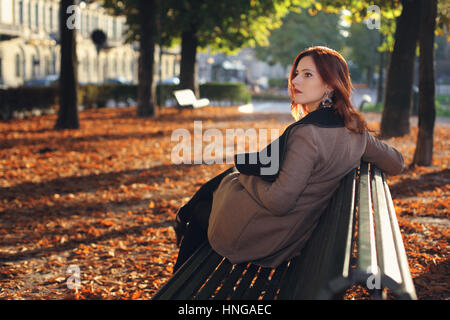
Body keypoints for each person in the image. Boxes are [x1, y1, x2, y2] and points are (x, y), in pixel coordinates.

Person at [171, 46, 405, 273]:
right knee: (211, 196)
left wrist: (244, 178)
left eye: (307, 75)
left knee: (208, 203)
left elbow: (280, 201)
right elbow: (397, 162)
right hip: (290, 230)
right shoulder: (355, 130)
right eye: (296, 74)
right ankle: (183, 226)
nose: (295, 82)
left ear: (330, 85)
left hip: (265, 237)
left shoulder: (308, 134)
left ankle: (177, 284)